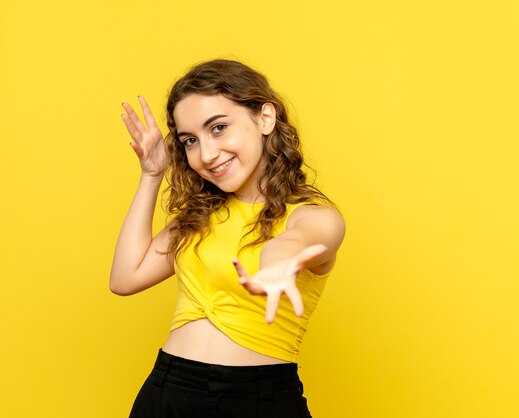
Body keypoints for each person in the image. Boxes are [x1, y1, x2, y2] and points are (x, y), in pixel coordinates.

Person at [110, 59, 345, 418]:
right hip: (167, 392)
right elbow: (124, 279)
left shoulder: (315, 216)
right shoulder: (197, 218)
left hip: (256, 401)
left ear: (265, 118)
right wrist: (152, 174)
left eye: (218, 128)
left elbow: (293, 243)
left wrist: (274, 266)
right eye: (190, 140)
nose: (206, 154)